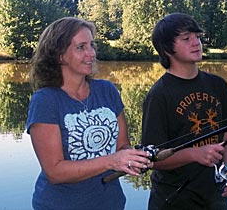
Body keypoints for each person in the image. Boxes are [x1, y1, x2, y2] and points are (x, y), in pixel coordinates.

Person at [26, 17, 151, 210]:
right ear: (59, 55)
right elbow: (55, 171)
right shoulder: (45, 100)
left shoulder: (107, 90)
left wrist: (132, 159)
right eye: (81, 47)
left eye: (92, 45)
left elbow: (122, 146)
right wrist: (111, 161)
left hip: (111, 203)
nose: (91, 53)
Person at [141, 12, 227, 210]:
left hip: (214, 195)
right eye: (186, 39)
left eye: (198, 37)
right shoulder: (158, 96)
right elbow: (152, 160)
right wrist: (194, 154)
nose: (196, 43)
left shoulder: (217, 84)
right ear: (167, 49)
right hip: (173, 199)